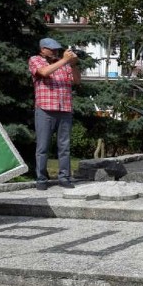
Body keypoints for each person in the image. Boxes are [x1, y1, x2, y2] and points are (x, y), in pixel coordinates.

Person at [29, 37, 81, 190]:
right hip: (45, 109)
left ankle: (64, 177)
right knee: (43, 147)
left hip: (64, 109)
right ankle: (41, 179)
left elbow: (77, 81)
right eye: (52, 49)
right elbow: (44, 72)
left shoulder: (64, 63)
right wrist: (64, 61)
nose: (55, 52)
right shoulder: (35, 60)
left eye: (57, 49)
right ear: (43, 49)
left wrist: (73, 64)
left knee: (64, 147)